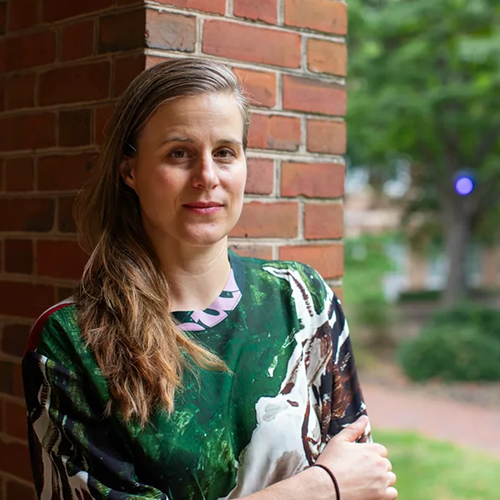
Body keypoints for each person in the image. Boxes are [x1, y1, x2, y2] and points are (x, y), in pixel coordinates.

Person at [22, 58, 397, 500]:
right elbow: (342, 483)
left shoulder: (301, 299)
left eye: (224, 152)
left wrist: (345, 483)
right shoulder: (71, 342)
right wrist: (320, 487)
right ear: (130, 172)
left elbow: (365, 477)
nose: (207, 177)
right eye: (178, 153)